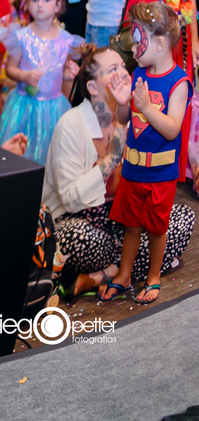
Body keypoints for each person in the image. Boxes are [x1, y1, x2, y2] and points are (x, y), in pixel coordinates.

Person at [44, 45, 194, 297]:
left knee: (181, 220)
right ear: (92, 87)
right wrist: (112, 159)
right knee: (81, 239)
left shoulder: (136, 114)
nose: (124, 73)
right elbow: (69, 199)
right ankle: (120, 268)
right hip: (77, 220)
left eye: (124, 66)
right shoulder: (71, 123)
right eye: (113, 70)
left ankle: (111, 271)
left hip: (121, 220)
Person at [97, 1, 192, 305]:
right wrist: (123, 102)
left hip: (159, 174)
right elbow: (125, 119)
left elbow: (173, 128)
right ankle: (124, 275)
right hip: (133, 171)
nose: (135, 46)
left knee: (156, 228)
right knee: (131, 226)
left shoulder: (178, 83)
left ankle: (153, 277)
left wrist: (148, 107)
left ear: (161, 43)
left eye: (140, 39)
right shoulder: (138, 73)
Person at [0, 0, 83, 165]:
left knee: (53, 159)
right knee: (20, 158)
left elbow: (59, 73)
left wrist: (67, 74)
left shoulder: (66, 40)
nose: (40, 4)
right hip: (24, 106)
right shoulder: (21, 37)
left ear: (58, 5)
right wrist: (24, 76)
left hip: (55, 107)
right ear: (28, 4)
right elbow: (10, 69)